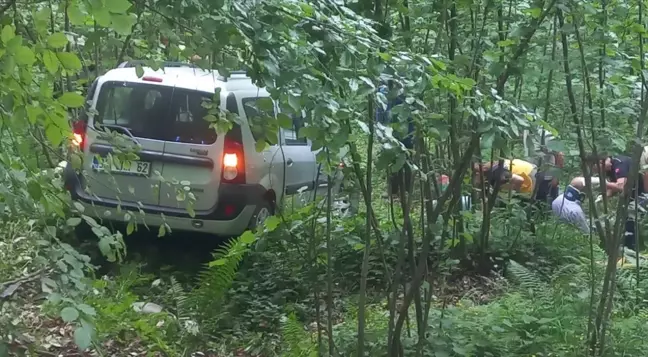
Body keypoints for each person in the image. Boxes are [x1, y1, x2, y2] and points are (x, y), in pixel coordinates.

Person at [586, 153, 645, 250]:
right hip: (630, 197)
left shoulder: (619, 164)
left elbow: (621, 186)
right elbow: (616, 187)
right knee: (627, 223)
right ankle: (631, 249)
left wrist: (599, 181)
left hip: (641, 196)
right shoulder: (610, 170)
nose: (595, 171)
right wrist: (603, 196)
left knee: (631, 223)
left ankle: (632, 251)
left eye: (594, 168)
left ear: (600, 163)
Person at [375, 79, 415, 198]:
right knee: (392, 163)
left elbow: (410, 115)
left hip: (406, 134)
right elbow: (380, 114)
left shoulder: (405, 95)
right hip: (390, 135)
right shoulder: (382, 94)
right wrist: (381, 132)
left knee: (407, 162)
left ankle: (407, 190)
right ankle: (393, 190)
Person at [473, 158, 559, 206]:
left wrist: (515, 195)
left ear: (478, 173)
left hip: (534, 179)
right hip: (534, 173)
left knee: (548, 206)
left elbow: (519, 180)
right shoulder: (493, 165)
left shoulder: (496, 173)